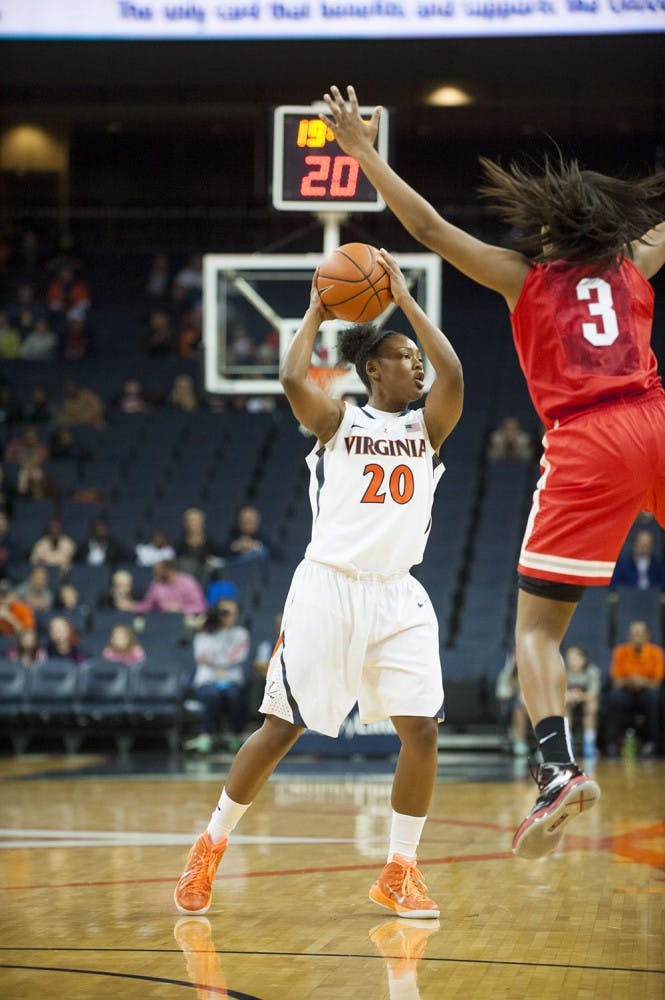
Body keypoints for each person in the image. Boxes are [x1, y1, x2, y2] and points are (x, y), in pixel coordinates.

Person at [321, 84, 665, 859]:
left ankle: (557, 771)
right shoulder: (633, 261)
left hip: (589, 439)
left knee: (537, 631)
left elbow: (427, 224)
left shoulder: (523, 277)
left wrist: (362, 151)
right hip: (656, 418)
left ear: (547, 229)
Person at [174, 249, 463, 919]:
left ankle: (399, 869)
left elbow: (451, 368)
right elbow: (287, 374)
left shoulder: (428, 427)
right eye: (402, 355)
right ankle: (210, 844)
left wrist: (405, 301)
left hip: (397, 592)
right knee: (281, 727)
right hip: (328, 588)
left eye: (414, 355)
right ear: (371, 370)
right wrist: (314, 307)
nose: (415, 363)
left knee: (421, 731)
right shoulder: (339, 421)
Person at [183, 601, 250, 754]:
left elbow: (236, 657)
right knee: (211, 694)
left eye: (229, 613)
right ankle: (207, 735)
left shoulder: (241, 634)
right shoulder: (204, 633)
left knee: (234, 696)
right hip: (207, 679)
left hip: (231, 679)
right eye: (222, 612)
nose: (225, 616)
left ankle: (236, 735)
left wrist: (217, 662)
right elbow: (201, 656)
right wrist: (205, 628)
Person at [606, 620, 664, 758]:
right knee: (614, 697)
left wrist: (642, 681)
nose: (637, 637)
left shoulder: (656, 652)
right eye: (634, 634)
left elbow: (657, 683)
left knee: (653, 698)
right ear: (629, 636)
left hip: (646, 692)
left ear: (647, 636)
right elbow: (616, 681)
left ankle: (651, 743)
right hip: (626, 691)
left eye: (640, 633)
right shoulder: (620, 651)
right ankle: (612, 744)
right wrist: (630, 680)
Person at [121, 559, 206, 616]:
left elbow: (201, 606)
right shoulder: (156, 584)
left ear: (169, 570)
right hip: (163, 621)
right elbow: (148, 605)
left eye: (158, 571)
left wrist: (181, 608)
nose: (155, 574)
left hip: (185, 619)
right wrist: (131, 606)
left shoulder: (188, 582)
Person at [563, 645, 602, 760]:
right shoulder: (562, 671)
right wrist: (569, 697)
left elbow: (593, 694)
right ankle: (567, 742)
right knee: (563, 706)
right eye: (570, 658)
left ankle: (589, 743)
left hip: (585, 701)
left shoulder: (592, 671)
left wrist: (579, 696)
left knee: (592, 706)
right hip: (569, 703)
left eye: (576, 658)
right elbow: (561, 694)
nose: (572, 661)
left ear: (584, 659)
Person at [495, 650, 530, 757]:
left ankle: (543, 745)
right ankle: (520, 742)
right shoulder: (507, 675)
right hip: (513, 707)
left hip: (534, 708)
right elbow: (501, 694)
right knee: (519, 709)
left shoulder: (538, 674)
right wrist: (513, 691)